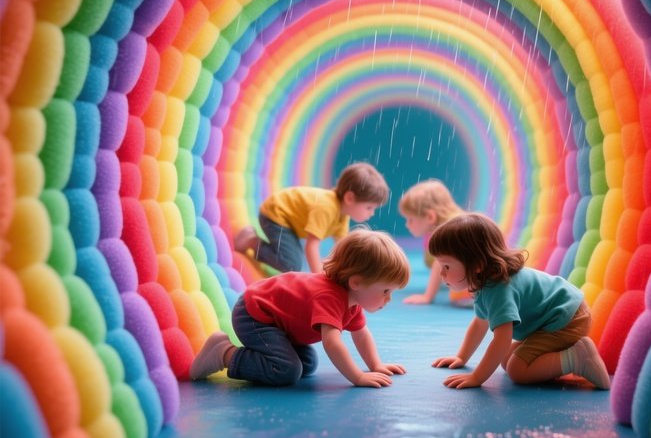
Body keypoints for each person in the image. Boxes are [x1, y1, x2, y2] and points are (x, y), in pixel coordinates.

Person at [190, 228, 410, 387]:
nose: (388, 299)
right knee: (286, 370)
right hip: (254, 315)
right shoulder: (330, 297)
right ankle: (224, 353)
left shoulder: (352, 301)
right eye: (385, 291)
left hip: (276, 322)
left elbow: (361, 334)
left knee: (307, 363)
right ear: (356, 282)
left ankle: (248, 356)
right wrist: (357, 377)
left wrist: (376, 364)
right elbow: (332, 343)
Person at [427, 212, 610, 390]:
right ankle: (559, 361)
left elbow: (502, 339)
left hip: (566, 320)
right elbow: (480, 323)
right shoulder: (485, 282)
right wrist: (462, 357)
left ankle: (577, 358)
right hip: (559, 316)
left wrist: (477, 377)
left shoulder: (499, 289)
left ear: (477, 265)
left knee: (517, 370)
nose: (441, 273)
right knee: (507, 359)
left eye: (446, 266)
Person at [234, 162, 389, 273]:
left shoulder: (343, 215)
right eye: (369, 207)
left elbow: (341, 248)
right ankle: (252, 241)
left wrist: (348, 268)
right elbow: (312, 245)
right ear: (349, 198)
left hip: (289, 222)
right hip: (276, 215)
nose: (372, 213)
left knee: (294, 257)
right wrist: (319, 277)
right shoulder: (327, 208)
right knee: (291, 264)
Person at [398, 180, 471, 306]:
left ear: (430, 217)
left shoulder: (449, 229)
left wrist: (427, 296)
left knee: (459, 297)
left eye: (410, 219)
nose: (407, 225)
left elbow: (440, 262)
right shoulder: (443, 226)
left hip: (477, 288)